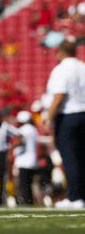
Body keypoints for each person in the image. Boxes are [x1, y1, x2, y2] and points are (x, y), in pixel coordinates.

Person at [46, 38, 85, 208]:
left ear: (60, 52)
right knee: (82, 157)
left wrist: (49, 118)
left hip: (68, 116)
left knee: (71, 157)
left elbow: (59, 95)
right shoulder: (83, 67)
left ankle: (75, 197)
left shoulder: (61, 69)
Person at [0, 111, 18, 205]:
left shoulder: (5, 127)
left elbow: (18, 134)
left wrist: (11, 148)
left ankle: (1, 198)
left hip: (2, 154)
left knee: (2, 177)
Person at [14, 111, 38, 205]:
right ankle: (30, 201)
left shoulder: (23, 129)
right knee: (29, 184)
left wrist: (11, 147)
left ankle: (26, 203)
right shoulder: (33, 129)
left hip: (24, 160)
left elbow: (20, 141)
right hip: (32, 159)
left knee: (23, 185)